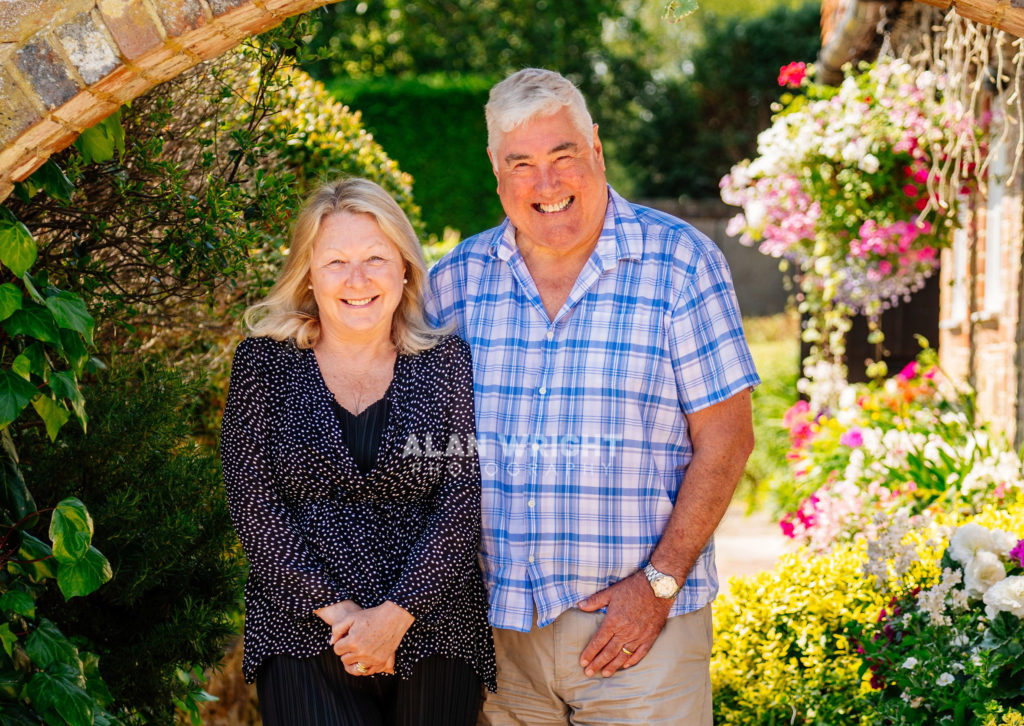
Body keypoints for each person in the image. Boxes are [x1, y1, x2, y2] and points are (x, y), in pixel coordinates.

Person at [425, 68, 760, 724]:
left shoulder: (681, 264)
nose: (546, 184)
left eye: (563, 156)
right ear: (495, 169)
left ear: (597, 149)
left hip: (641, 637)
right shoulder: (455, 281)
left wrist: (659, 584)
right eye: (521, 164)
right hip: (495, 643)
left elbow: (727, 439)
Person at [220, 178, 496, 726]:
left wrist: (394, 617)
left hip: (434, 628)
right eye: (336, 262)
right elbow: (254, 504)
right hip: (304, 630)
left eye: (375, 258)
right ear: (308, 273)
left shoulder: (446, 363)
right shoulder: (263, 365)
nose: (357, 280)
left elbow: (461, 502)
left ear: (405, 268)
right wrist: (344, 617)